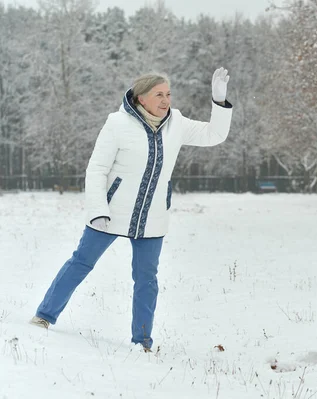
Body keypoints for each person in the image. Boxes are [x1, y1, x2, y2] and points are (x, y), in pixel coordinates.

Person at [30, 68, 233, 352]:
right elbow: (97, 169)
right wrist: (98, 209)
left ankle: (142, 342)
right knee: (80, 263)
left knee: (147, 280)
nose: (166, 100)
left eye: (168, 94)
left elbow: (215, 135)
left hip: (152, 218)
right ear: (141, 98)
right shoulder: (117, 124)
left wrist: (219, 102)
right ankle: (44, 316)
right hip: (111, 213)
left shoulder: (177, 123)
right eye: (159, 95)